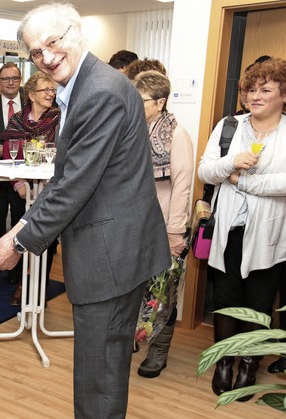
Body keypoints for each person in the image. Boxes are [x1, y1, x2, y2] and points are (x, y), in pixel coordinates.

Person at [0, 4, 170, 417]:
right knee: (98, 375)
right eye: (36, 52)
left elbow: (73, 185)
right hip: (111, 252)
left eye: (54, 41)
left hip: (110, 259)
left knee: (99, 384)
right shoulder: (86, 85)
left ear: (78, 32)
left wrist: (18, 240)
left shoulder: (100, 91)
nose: (47, 56)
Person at [198, 57, 286, 401]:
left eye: (266, 89)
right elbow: (206, 172)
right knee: (226, 299)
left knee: (259, 304)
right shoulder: (228, 127)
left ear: (283, 95)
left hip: (270, 236)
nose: (256, 95)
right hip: (229, 233)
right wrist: (230, 164)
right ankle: (224, 361)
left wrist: (242, 183)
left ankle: (249, 364)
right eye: (251, 89)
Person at [133, 70, 194, 378]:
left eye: (139, 98)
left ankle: (158, 351)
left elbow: (182, 184)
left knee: (164, 290)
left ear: (159, 102)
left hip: (163, 225)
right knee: (137, 287)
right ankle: (135, 335)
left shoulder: (176, 134)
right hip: (135, 223)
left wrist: (175, 231)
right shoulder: (135, 129)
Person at [0, 71, 61, 306]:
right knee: (20, 238)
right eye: (45, 90)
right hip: (21, 193)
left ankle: (38, 287)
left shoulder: (59, 118)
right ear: (31, 94)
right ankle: (20, 283)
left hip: (50, 191)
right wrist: (17, 184)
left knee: (46, 241)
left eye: (52, 90)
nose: (50, 94)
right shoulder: (17, 121)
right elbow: (8, 154)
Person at [0, 62, 26, 286]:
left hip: (23, 178)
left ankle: (17, 273)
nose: (11, 82)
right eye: (6, 79)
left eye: (15, 78)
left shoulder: (31, 105)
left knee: (19, 224)